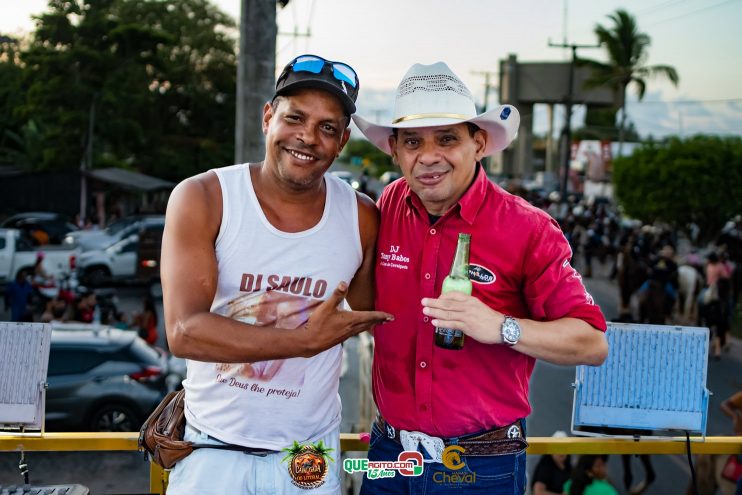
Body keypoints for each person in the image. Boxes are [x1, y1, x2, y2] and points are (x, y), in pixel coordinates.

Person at [353, 62, 608, 494]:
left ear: (479, 143)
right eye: (413, 141)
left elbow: (592, 342)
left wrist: (501, 327)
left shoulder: (529, 228)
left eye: (448, 138)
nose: (428, 156)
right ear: (394, 150)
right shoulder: (392, 201)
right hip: (390, 457)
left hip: (480, 467)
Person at [161, 54, 393, 494]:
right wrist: (302, 342)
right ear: (268, 117)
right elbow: (183, 332)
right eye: (295, 118)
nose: (307, 137)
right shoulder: (205, 197)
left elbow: (375, 314)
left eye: (327, 128)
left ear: (342, 141)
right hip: (214, 449)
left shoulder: (360, 216)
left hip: (309, 456)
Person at [531, 431, 573, 495]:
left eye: (564, 447)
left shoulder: (568, 466)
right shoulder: (545, 467)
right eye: (557, 448)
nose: (561, 452)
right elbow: (538, 492)